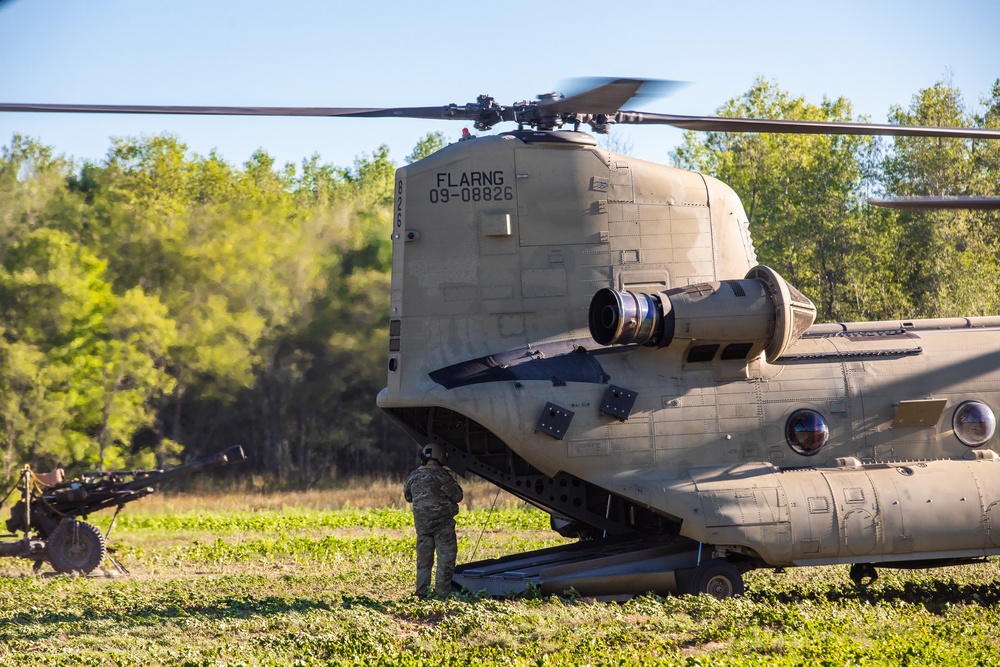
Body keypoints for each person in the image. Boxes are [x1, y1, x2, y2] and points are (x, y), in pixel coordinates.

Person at [403, 443, 464, 597]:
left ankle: (422, 594)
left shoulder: (413, 476)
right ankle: (442, 595)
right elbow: (458, 496)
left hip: (422, 527)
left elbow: (408, 497)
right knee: (445, 561)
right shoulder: (442, 475)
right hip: (443, 526)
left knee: (423, 563)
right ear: (441, 457)